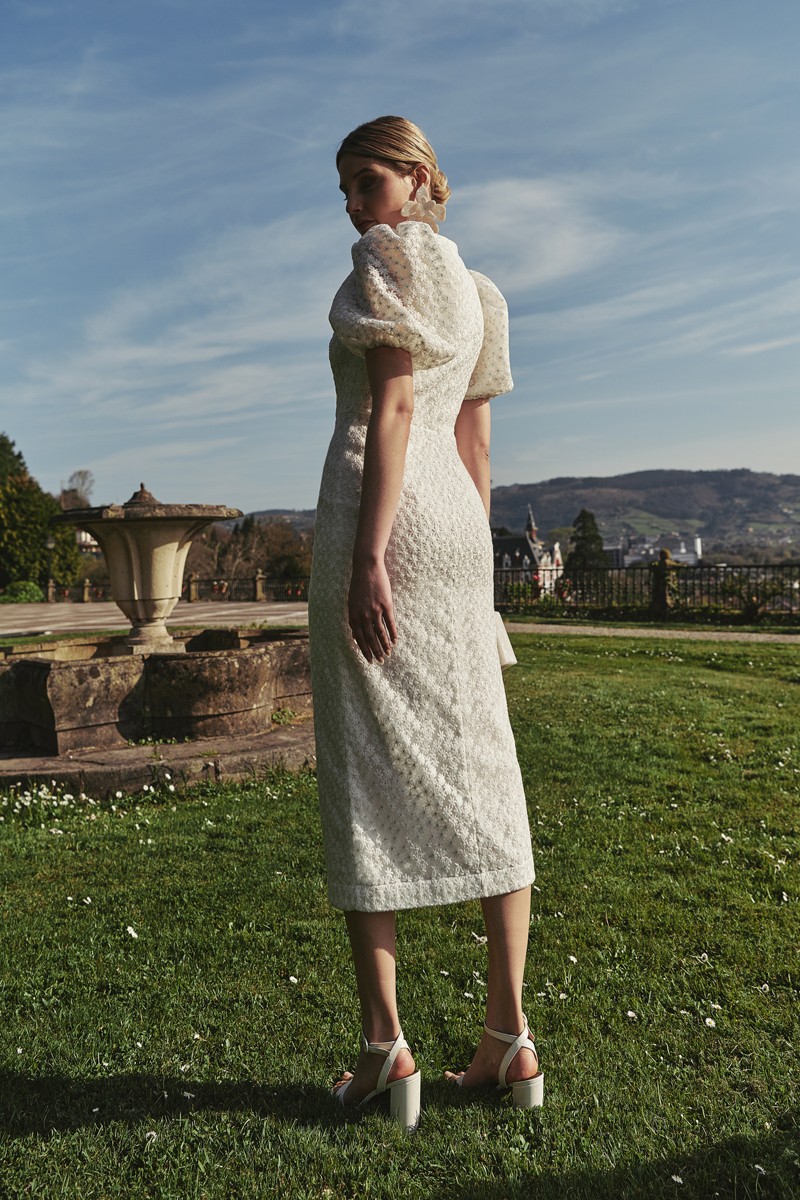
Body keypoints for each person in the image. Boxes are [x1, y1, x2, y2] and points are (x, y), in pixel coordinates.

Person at [308, 116, 543, 1129]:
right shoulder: (483, 293)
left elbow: (395, 408)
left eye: (368, 182)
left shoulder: (379, 262)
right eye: (348, 190)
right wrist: (476, 576)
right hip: (455, 531)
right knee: (483, 760)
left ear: (418, 181)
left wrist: (367, 555)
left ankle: (384, 1049)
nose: (355, 206)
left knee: (362, 768)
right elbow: (475, 443)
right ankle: (507, 1037)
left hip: (382, 512)